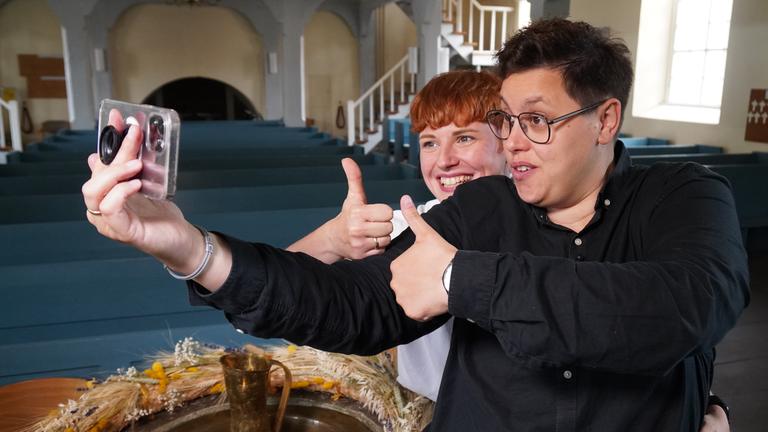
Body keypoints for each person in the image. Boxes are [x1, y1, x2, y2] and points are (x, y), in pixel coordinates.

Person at [83, 18, 748, 431]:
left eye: (538, 121)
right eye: (508, 121)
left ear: (606, 120)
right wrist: (190, 247)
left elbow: (678, 308)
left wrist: (462, 279)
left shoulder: (685, 195)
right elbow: (353, 303)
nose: (514, 143)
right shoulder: (483, 210)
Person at [287, 70, 507, 402]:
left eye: (464, 138)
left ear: (507, 142)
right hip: (428, 409)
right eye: (430, 143)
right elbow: (280, 287)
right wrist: (333, 239)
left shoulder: (543, 227)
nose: (445, 161)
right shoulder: (405, 227)